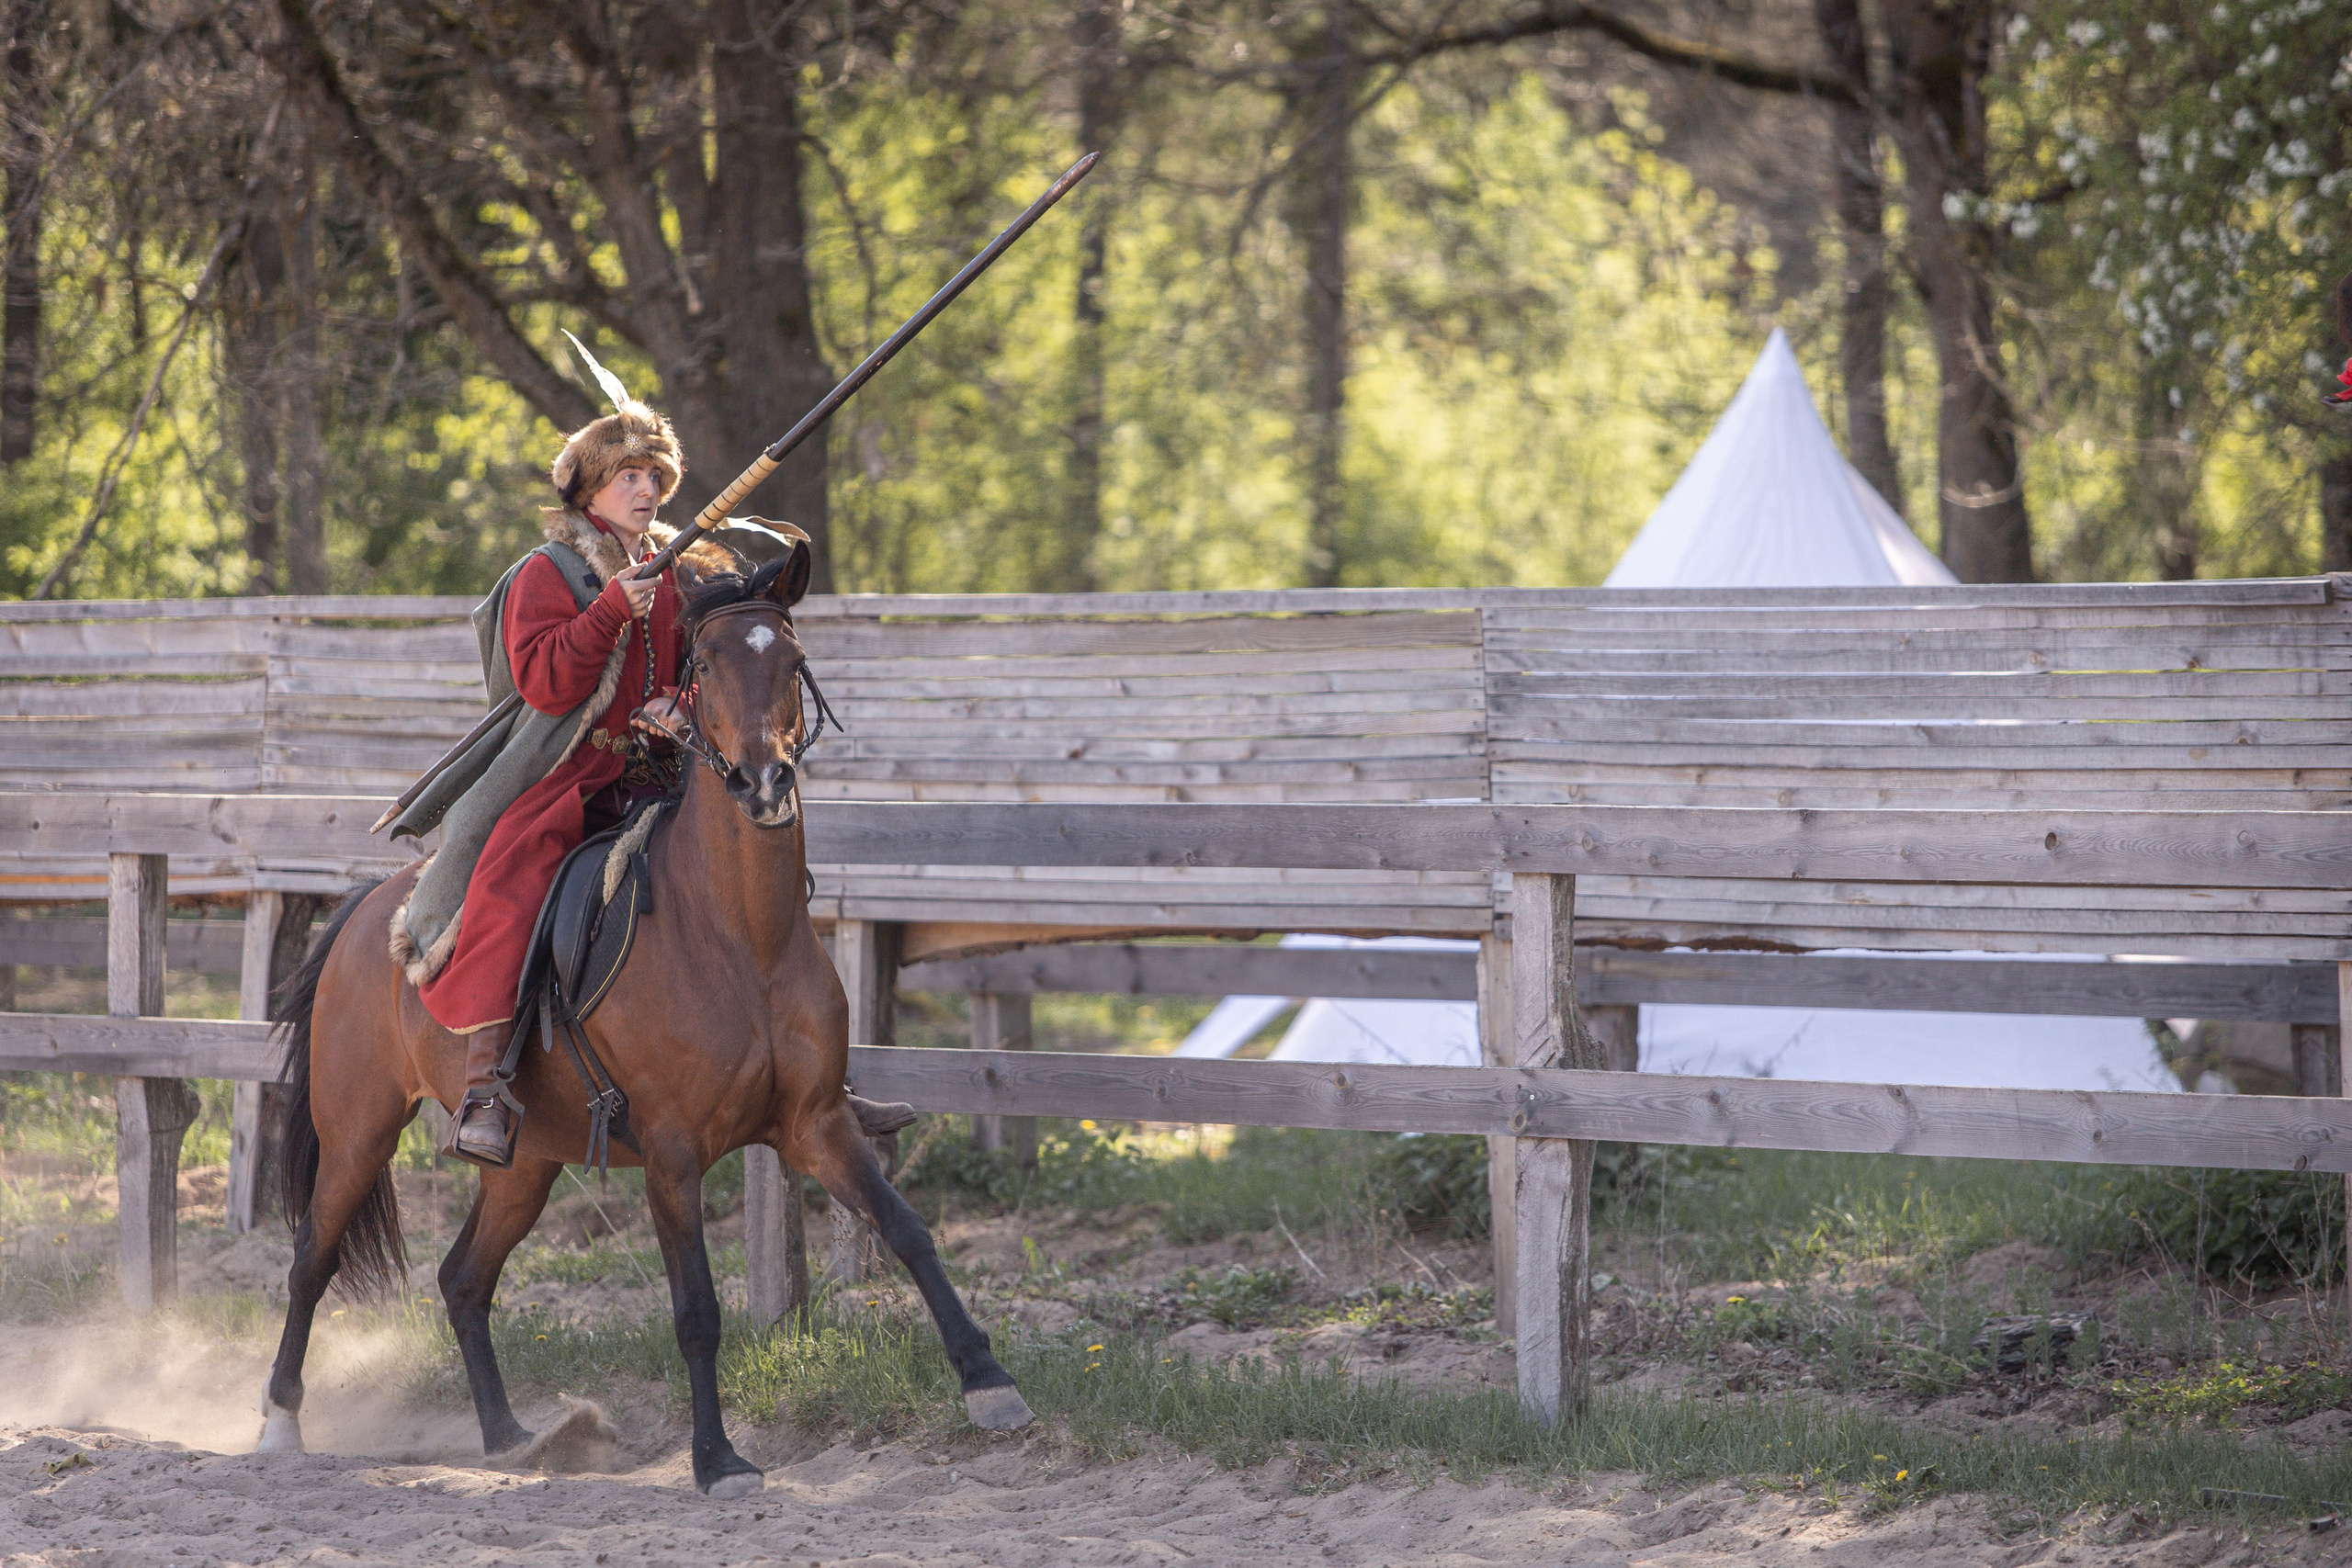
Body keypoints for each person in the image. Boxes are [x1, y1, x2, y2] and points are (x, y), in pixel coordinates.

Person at [421, 399, 692, 1167]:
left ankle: (802, 1074)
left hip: (653, 776)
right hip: (565, 778)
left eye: (653, 475)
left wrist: (681, 703)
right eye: (627, 476)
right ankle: (485, 1086)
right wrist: (609, 611)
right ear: (589, 490)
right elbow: (544, 682)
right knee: (516, 877)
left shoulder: (672, 571)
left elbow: (695, 665)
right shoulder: (547, 572)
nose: (645, 490)